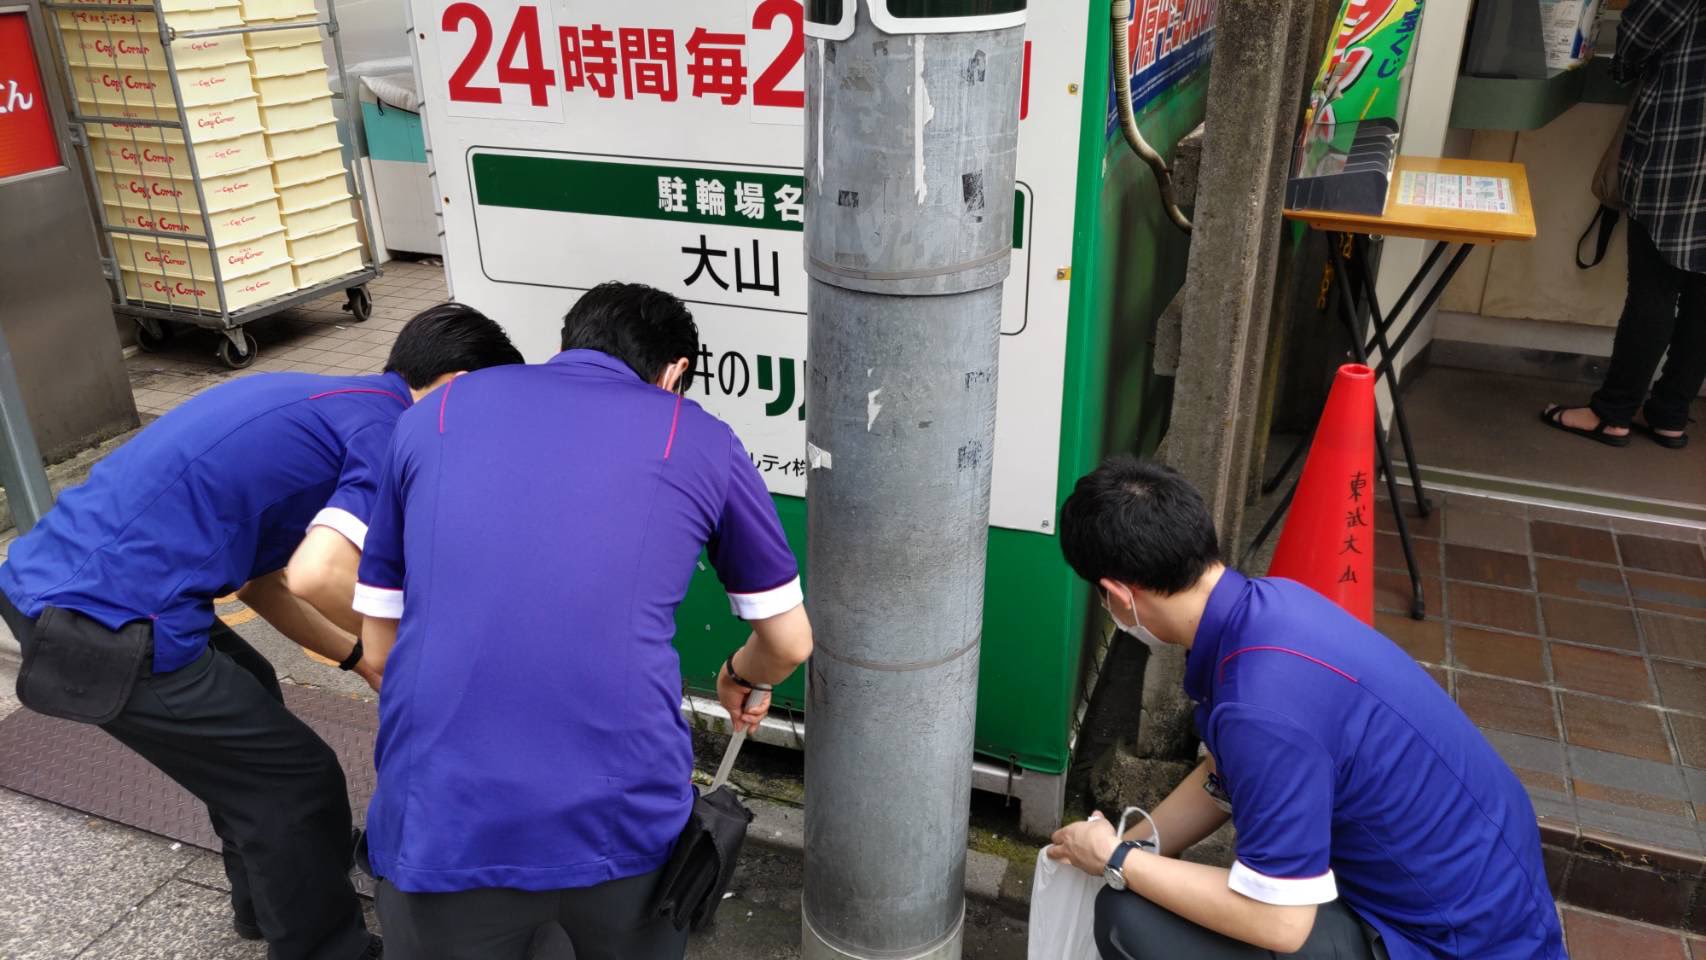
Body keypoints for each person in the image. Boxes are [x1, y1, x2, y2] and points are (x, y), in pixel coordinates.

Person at [0, 304, 523, 960]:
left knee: (252, 693)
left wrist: (359, 658)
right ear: (455, 386)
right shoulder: (389, 432)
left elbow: (263, 584)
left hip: (62, 581)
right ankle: (322, 947)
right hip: (103, 623)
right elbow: (321, 573)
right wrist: (414, 658)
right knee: (296, 783)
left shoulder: (334, 402)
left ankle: (271, 896)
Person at [352, 282, 814, 960]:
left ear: (567, 343)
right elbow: (789, 641)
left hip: (443, 821)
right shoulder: (698, 436)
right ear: (675, 373)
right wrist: (742, 676)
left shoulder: (435, 414)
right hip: (623, 820)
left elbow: (378, 646)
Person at [1048, 457, 1564, 960]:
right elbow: (1221, 776)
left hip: (1455, 942)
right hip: (1486, 897)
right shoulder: (1269, 608)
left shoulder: (1260, 704)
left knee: (1128, 919)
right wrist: (1131, 844)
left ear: (1118, 594)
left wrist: (1116, 859)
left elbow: (1279, 921)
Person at [1543, 0, 1705, 449]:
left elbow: (1641, 33)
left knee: (1654, 289)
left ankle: (1611, 413)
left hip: (1684, 148)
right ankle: (1669, 414)